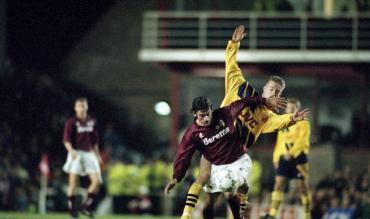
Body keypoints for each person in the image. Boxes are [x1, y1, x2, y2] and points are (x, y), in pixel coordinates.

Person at [185, 25, 310, 219]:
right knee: (210, 200)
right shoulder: (241, 89)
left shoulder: (267, 118)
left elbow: (281, 121)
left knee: (233, 187)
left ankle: (239, 214)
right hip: (215, 147)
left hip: (234, 157)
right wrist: (234, 44)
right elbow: (231, 65)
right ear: (264, 88)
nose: (275, 94)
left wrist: (292, 118)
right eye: (272, 90)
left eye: (279, 92)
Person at [165, 95, 287, 219]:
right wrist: (176, 177)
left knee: (228, 191)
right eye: (202, 115)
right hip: (216, 165)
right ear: (194, 113)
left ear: (211, 109)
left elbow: (244, 102)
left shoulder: (225, 113)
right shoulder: (192, 134)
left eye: (208, 114)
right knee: (209, 202)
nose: (206, 118)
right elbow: (183, 154)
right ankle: (242, 188)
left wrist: (265, 101)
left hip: (237, 160)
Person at [263, 98, 311, 219]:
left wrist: (292, 152)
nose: (290, 110)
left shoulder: (304, 122)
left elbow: (303, 140)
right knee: (278, 184)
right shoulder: (284, 122)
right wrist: (275, 158)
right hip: (284, 158)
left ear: (297, 109)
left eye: (293, 108)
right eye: (288, 108)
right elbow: (280, 142)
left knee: (303, 187)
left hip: (299, 157)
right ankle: (272, 214)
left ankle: (307, 214)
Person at [62, 97, 103, 219]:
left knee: (98, 181)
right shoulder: (71, 122)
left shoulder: (92, 121)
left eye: (83, 106)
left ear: (87, 107)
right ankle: (72, 210)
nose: (81, 108)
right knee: (73, 183)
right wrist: (71, 151)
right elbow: (66, 140)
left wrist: (97, 154)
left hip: (89, 153)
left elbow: (95, 141)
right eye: (79, 106)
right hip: (76, 153)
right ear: (75, 108)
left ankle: (86, 206)